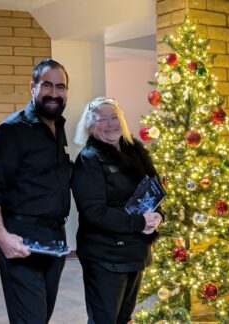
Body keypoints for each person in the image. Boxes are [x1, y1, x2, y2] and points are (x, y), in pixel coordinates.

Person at [0, 58, 71, 323]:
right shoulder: (12, 130)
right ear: (33, 87)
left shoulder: (58, 127)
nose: (54, 93)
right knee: (30, 319)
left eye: (60, 87)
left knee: (41, 315)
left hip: (55, 239)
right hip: (22, 238)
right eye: (47, 85)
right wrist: (3, 237)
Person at [71, 97, 162, 324]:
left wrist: (159, 216)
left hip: (135, 252)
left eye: (114, 117)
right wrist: (140, 223)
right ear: (91, 125)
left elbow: (154, 192)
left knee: (123, 318)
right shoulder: (89, 159)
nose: (110, 124)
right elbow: (94, 212)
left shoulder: (136, 152)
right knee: (104, 320)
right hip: (104, 256)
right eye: (102, 119)